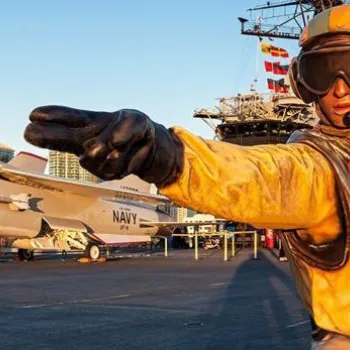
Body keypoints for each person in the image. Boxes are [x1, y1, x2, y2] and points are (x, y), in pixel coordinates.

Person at [24, 5, 350, 349]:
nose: (340, 89)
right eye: (322, 72)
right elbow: (256, 176)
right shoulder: (319, 168)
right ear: (301, 83)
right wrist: (162, 153)